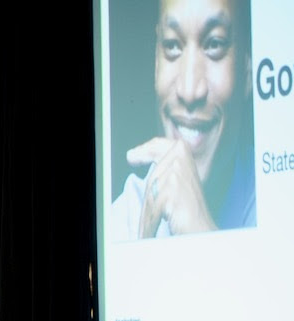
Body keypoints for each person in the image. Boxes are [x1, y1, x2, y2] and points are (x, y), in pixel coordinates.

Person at [109, 0, 255, 240]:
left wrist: (201, 231)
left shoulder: (281, 204)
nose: (189, 91)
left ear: (248, 68)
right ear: (156, 60)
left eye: (214, 44)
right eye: (172, 45)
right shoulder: (121, 223)